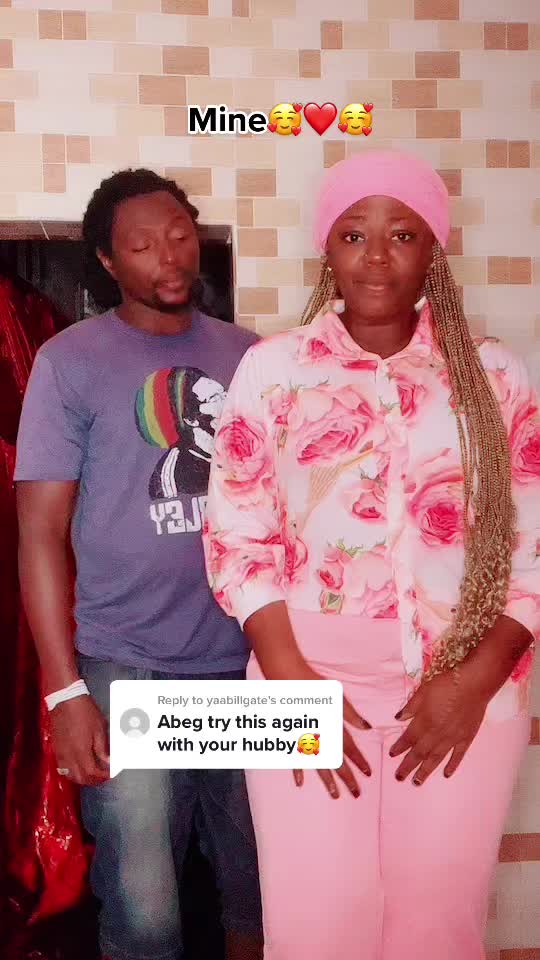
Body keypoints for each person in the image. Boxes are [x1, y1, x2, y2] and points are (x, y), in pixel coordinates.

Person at [203, 150, 540, 960]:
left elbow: (533, 546)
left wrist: (472, 684)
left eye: (403, 234)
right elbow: (237, 535)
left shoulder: (494, 374)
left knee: (438, 927)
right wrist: (291, 683)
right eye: (355, 234)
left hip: (461, 682)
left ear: (434, 249)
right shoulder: (272, 369)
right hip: (299, 680)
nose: (378, 256)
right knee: (314, 925)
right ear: (328, 247)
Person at [15, 169, 263, 960]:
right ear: (107, 260)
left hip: (251, 663)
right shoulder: (69, 362)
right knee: (143, 908)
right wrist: (66, 693)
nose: (169, 255)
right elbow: (39, 534)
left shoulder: (253, 358)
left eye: (180, 235)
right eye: (142, 244)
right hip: (128, 667)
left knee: (264, 888)